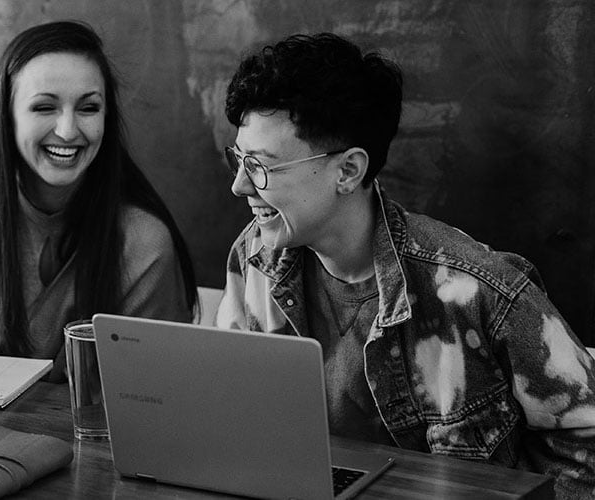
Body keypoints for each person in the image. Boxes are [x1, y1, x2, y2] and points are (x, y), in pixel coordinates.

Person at [215, 33, 595, 498]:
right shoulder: (254, 260)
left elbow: (587, 447)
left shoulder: (478, 291)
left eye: (258, 165)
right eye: (238, 158)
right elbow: (230, 423)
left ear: (349, 171)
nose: (238, 185)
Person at [0, 21, 197, 381]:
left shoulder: (143, 244)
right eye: (44, 108)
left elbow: (155, 400)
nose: (67, 130)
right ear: (7, 117)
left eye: (88, 108)